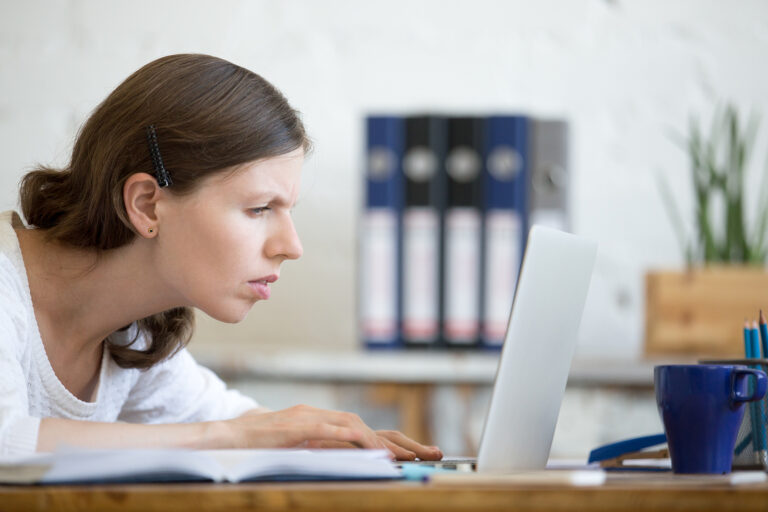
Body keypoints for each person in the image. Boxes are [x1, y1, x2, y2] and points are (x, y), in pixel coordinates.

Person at [0, 53, 442, 462]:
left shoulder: (131, 336)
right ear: (147, 205)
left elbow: (230, 420)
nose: (292, 246)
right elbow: (6, 440)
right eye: (259, 208)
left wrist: (322, 439)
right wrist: (231, 436)